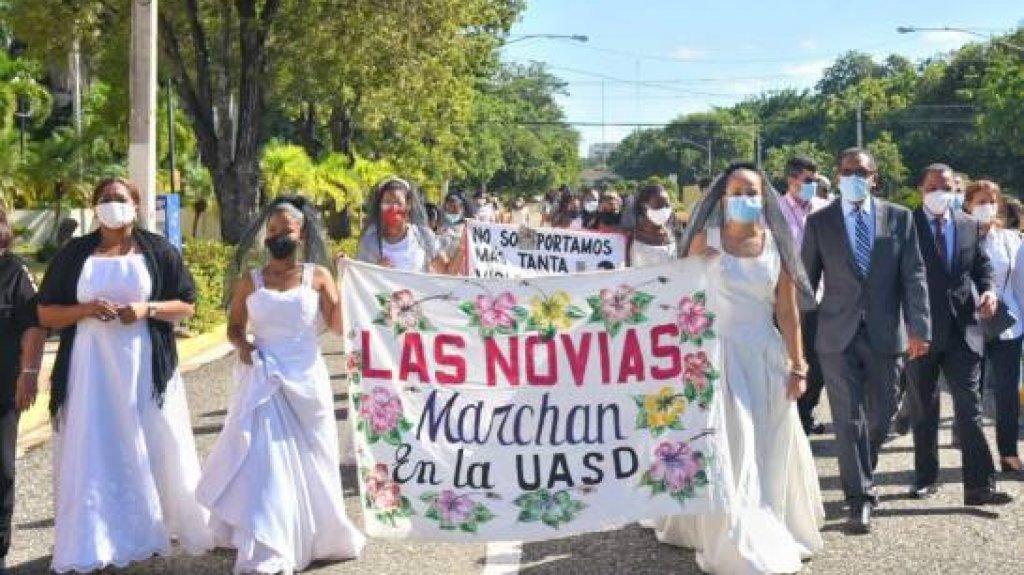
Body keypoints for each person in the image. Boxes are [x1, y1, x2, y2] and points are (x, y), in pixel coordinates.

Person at [36, 177, 213, 572]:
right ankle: (93, 533)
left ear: (135, 204)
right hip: (89, 370)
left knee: (148, 441)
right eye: (104, 198)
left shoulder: (158, 250)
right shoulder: (74, 253)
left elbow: (187, 305)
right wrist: (84, 310)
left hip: (143, 366)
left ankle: (150, 528)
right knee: (94, 443)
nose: (111, 204)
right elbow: (46, 313)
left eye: (119, 198)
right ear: (94, 206)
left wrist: (147, 308)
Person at [655, 163, 824, 574]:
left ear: (763, 196)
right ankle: (734, 533)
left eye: (752, 191)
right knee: (734, 445)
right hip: (718, 357)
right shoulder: (703, 240)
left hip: (765, 356)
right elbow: (676, 301)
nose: (745, 198)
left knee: (768, 439)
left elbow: (786, 310)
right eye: (736, 191)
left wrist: (799, 365)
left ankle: (773, 519)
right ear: (722, 198)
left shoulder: (775, 245)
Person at [200, 196, 366, 573]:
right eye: (272, 231)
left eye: (285, 230)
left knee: (315, 460)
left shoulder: (318, 276)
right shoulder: (252, 281)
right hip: (264, 380)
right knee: (266, 463)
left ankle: (320, 536)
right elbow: (234, 326)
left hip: (307, 380)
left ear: (301, 233)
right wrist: (242, 345)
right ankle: (269, 543)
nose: (278, 236)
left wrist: (344, 281)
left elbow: (339, 327)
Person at [801, 148, 931, 534]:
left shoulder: (899, 217)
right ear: (837, 176)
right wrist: (796, 340)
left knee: (882, 412)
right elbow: (806, 285)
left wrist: (919, 326)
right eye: (846, 171)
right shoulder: (820, 222)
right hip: (835, 335)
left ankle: (862, 463)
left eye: (862, 171)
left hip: (885, 332)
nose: (854, 176)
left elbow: (915, 275)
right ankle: (859, 498)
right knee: (847, 419)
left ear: (875, 177)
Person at [905, 164, 1012, 506]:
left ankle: (979, 486)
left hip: (964, 330)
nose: (942, 192)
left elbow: (980, 267)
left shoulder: (967, 225)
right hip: (919, 331)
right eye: (934, 186)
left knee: (970, 407)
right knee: (924, 408)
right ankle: (925, 477)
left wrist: (989, 291)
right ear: (921, 188)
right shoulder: (906, 224)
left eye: (948, 186)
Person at [965, 180, 1024, 474]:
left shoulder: (1011, 240)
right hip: (968, 324)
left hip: (1007, 324)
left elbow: (1019, 284)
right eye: (980, 201)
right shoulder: (959, 236)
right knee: (969, 391)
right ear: (968, 205)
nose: (986, 206)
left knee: (1007, 391)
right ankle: (974, 457)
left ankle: (1009, 452)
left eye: (991, 200)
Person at [0, 207, 46, 573]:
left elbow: (34, 324)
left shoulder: (14, 271)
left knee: (1, 471)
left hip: (2, 389)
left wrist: (29, 373)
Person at [778, 156, 831, 435]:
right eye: (807, 180)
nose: (812, 185)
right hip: (783, 299)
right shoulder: (773, 212)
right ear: (792, 180)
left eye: (815, 180)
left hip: (819, 297)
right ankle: (793, 420)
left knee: (820, 363)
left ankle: (807, 410)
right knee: (789, 360)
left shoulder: (825, 209)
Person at [355, 177, 462, 274]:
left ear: (408, 205)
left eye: (398, 202)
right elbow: (359, 279)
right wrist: (377, 270)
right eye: (387, 202)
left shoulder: (422, 236)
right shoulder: (370, 240)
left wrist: (463, 247)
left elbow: (447, 273)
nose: (393, 208)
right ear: (380, 206)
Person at [628, 184, 676, 267]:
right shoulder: (634, 241)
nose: (664, 209)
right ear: (644, 206)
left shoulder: (675, 236)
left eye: (667, 205)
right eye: (659, 205)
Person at [437, 190, 473, 264]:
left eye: (456, 207)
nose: (452, 210)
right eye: (449, 207)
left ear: (463, 209)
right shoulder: (438, 226)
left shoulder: (470, 228)